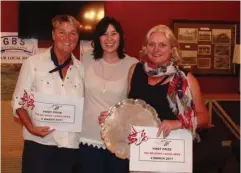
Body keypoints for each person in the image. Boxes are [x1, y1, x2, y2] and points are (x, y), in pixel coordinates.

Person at [128, 24, 232, 173]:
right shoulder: (135, 71)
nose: (156, 49)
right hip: (142, 150)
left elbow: (204, 117)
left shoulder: (185, 79)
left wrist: (178, 123)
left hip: (172, 151)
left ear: (172, 49)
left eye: (162, 45)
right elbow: (130, 107)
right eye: (151, 44)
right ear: (146, 48)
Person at [11, 14, 84, 173]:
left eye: (73, 33)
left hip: (70, 147)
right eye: (61, 32)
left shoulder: (82, 70)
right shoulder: (33, 64)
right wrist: (31, 128)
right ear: (53, 35)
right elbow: (18, 102)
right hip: (39, 146)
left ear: (77, 37)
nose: (67, 37)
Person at [76, 16, 138, 173]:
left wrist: (117, 116)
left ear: (121, 37)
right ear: (98, 38)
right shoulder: (86, 61)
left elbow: (135, 105)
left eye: (114, 33)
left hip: (119, 139)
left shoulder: (133, 65)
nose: (109, 39)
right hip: (87, 138)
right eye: (104, 34)